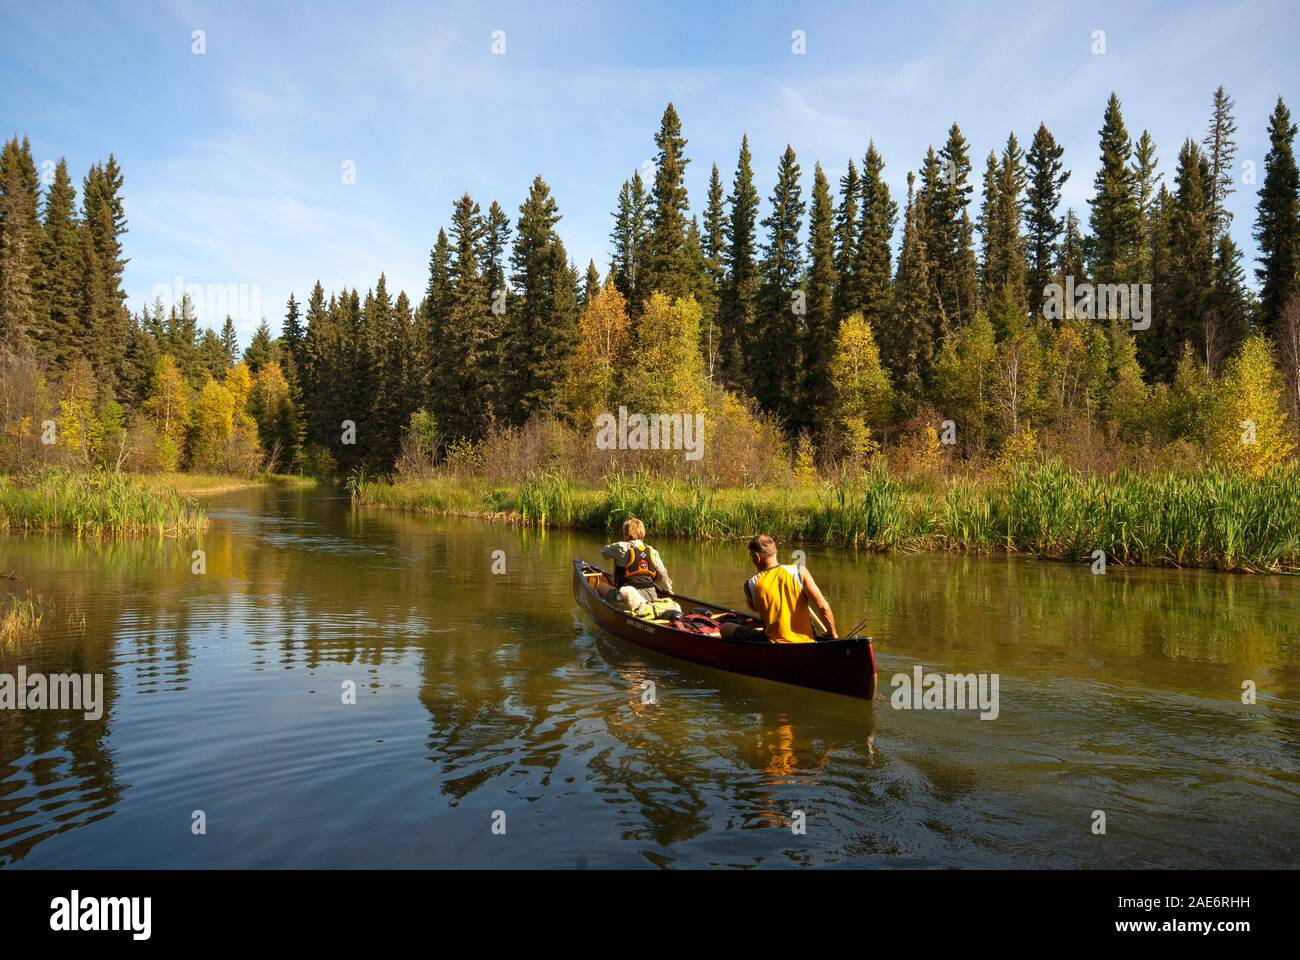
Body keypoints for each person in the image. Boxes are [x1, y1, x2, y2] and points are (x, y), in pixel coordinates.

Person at [720, 534, 836, 643]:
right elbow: (823, 606)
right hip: (807, 641)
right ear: (775, 552)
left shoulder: (750, 584)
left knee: (725, 627)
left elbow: (755, 608)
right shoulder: (800, 571)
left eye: (752, 556)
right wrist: (832, 633)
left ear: (756, 557)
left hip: (773, 642)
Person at [596, 518, 673, 609]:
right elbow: (663, 575)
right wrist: (667, 589)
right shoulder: (653, 551)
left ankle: (610, 609)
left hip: (629, 597)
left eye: (624, 533)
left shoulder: (620, 547)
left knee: (600, 587)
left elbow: (604, 552)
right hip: (651, 596)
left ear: (627, 534)